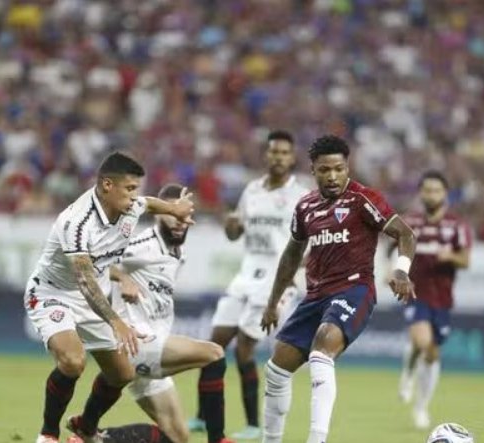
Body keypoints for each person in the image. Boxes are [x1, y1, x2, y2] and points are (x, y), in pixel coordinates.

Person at [25, 152, 194, 443]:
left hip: (91, 300)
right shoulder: (76, 223)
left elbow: (149, 203)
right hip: (54, 293)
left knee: (122, 374)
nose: (134, 196)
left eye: (136, 188)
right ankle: (48, 434)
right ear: (107, 185)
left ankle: (86, 428)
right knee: (73, 361)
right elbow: (85, 281)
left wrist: (174, 209)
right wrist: (117, 321)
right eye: (129, 189)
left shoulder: (130, 208)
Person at [259, 135, 417, 443]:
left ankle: (317, 440)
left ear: (348, 167)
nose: (332, 176)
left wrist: (402, 270)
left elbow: (405, 234)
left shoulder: (363, 199)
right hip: (314, 296)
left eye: (339, 169)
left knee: (322, 350)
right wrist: (272, 302)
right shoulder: (305, 206)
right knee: (276, 370)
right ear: (314, 170)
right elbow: (292, 255)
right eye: (324, 170)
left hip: (353, 290)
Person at [66, 183, 232, 443]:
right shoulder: (143, 244)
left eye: (184, 215)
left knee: (178, 438)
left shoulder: (180, 253)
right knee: (214, 355)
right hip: (137, 342)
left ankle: (92, 436)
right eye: (172, 213)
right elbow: (91, 261)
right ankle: (217, 439)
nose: (179, 221)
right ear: (158, 214)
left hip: (153, 342)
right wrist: (122, 277)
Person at [189, 130, 308, 440]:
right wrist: (231, 226)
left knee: (244, 349)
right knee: (213, 345)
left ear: (292, 158)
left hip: (276, 280)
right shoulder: (252, 190)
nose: (278, 157)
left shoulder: (301, 195)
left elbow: (309, 241)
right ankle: (203, 416)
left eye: (284, 152)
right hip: (246, 274)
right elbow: (234, 233)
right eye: (274, 152)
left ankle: (254, 424)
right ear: (266, 155)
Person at [393, 170, 472, 429]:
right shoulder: (410, 223)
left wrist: (449, 256)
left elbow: (465, 259)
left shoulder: (457, 225)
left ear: (445, 194)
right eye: (427, 190)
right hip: (415, 293)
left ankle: (418, 396)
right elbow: (391, 252)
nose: (431, 195)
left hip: (443, 299)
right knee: (424, 342)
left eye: (436, 190)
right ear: (420, 193)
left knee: (431, 352)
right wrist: (392, 272)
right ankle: (419, 408)